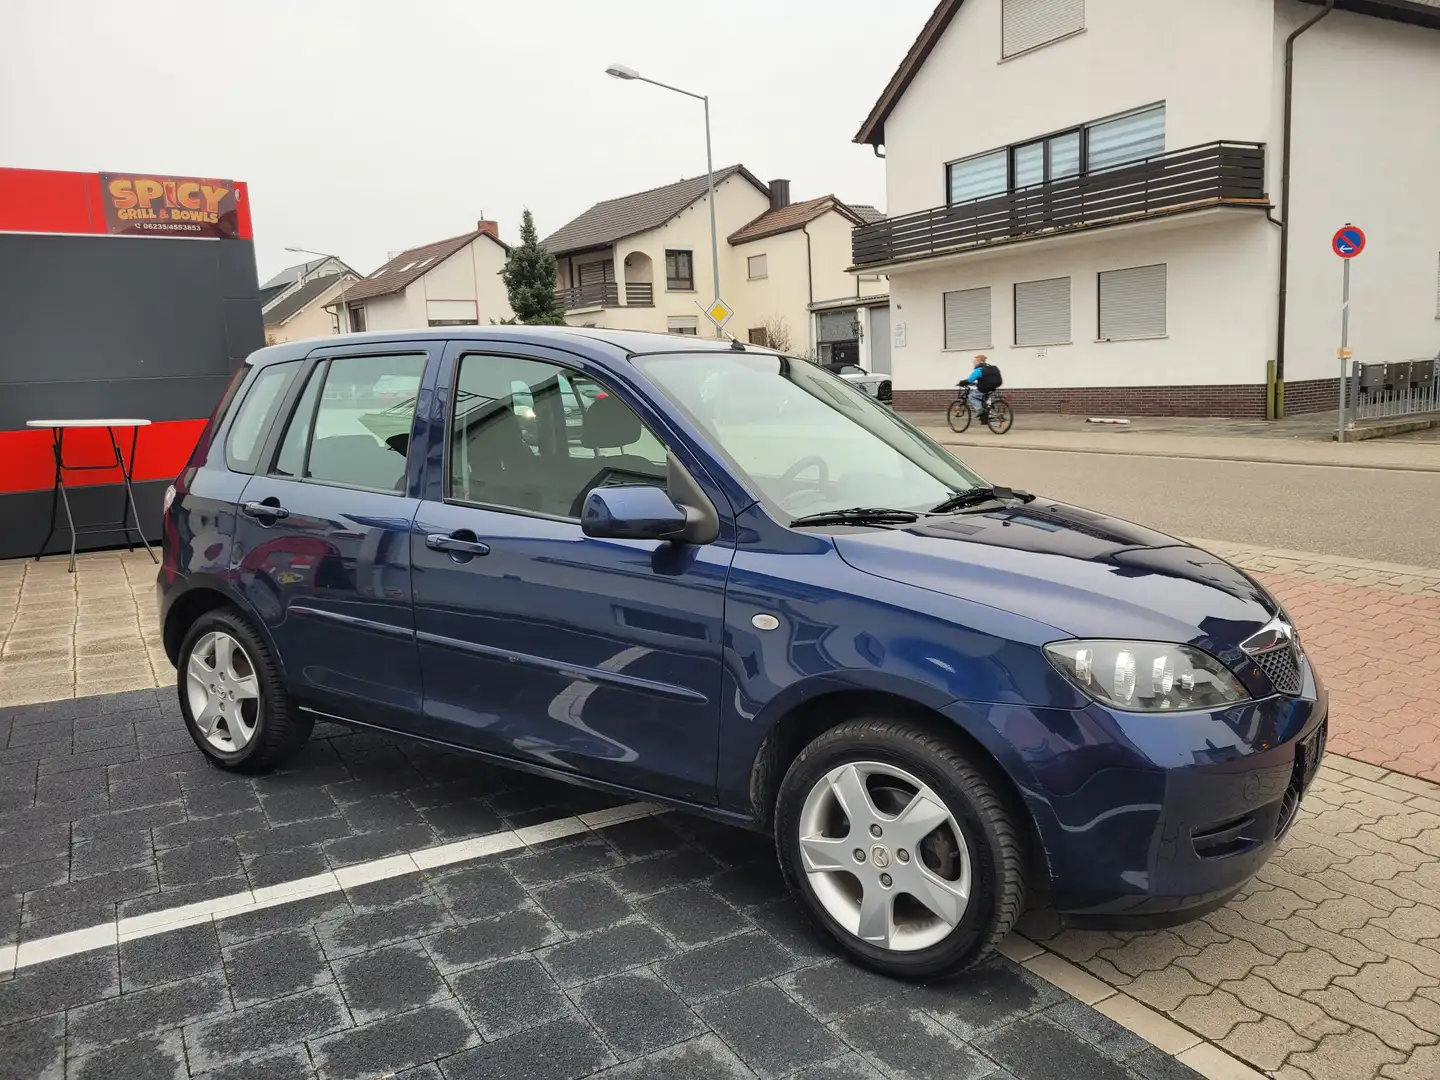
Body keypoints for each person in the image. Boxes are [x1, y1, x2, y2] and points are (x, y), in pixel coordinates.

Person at [962, 354, 991, 421]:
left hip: (984, 388)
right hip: (992, 387)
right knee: (983, 401)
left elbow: (970, 379)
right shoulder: (988, 367)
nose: (973, 363)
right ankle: (986, 417)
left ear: (979, 361)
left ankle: (980, 410)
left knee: (971, 396)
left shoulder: (979, 369)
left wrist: (962, 382)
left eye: (974, 361)